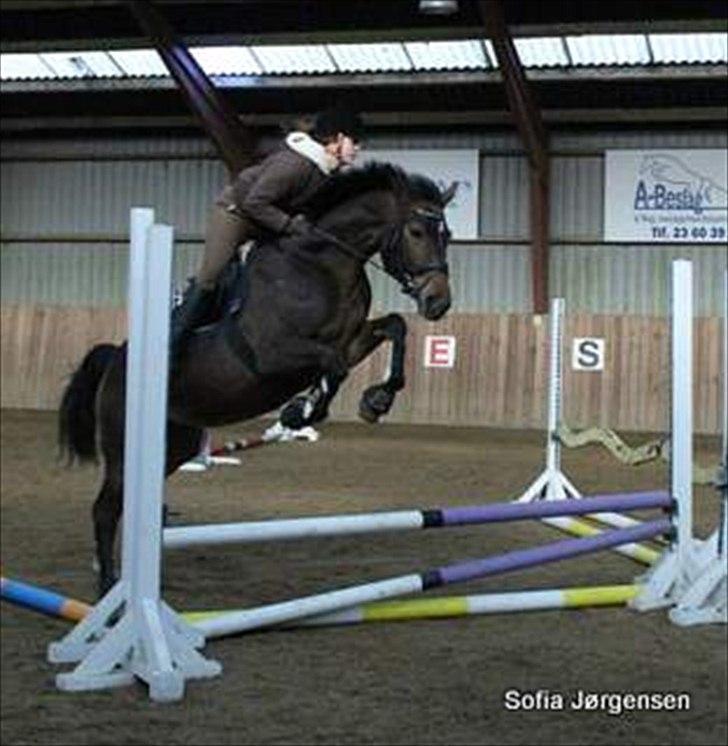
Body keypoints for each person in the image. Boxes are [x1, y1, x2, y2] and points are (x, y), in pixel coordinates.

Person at [170, 107, 364, 358]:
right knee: (212, 275)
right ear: (335, 140)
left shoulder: (325, 171)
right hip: (236, 214)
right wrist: (291, 226)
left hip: (267, 221)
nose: (358, 149)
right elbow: (254, 202)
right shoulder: (294, 165)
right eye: (354, 141)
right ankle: (173, 342)